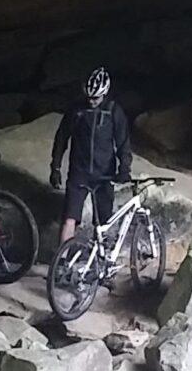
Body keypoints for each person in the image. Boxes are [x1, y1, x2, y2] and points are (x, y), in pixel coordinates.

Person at [48, 67, 131, 243]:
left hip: (104, 175)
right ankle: (61, 263)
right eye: (89, 97)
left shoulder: (113, 111)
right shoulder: (76, 110)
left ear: (105, 94)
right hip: (79, 174)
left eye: (96, 98)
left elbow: (123, 142)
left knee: (102, 225)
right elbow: (62, 137)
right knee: (69, 220)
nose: (92, 101)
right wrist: (55, 167)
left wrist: (124, 168)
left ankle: (100, 263)